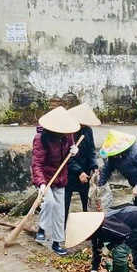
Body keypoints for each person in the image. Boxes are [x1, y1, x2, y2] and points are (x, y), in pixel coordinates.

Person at [31, 106, 81, 256]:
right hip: (45, 176)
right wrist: (41, 183)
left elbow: (69, 154)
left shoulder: (68, 134)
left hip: (60, 176)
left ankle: (56, 242)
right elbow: (36, 163)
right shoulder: (40, 138)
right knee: (49, 202)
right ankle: (42, 228)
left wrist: (73, 152)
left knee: (60, 210)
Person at [65, 102, 100, 219]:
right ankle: (62, 230)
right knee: (64, 205)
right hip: (68, 174)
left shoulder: (88, 131)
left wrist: (94, 166)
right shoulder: (68, 132)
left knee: (87, 204)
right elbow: (65, 157)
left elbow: (91, 150)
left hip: (85, 173)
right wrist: (78, 171)